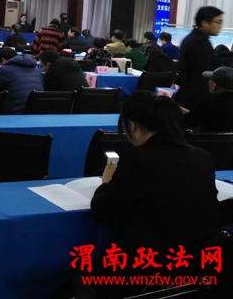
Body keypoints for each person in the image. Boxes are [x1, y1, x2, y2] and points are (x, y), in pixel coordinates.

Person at [89, 92, 217, 294]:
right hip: (189, 270)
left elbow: (102, 211)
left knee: (78, 275)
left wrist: (105, 184)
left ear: (132, 126)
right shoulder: (203, 157)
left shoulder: (137, 158)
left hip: (140, 272)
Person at [174, 6, 223, 110]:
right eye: (218, 22)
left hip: (187, 94)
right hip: (195, 99)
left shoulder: (192, 38)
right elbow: (201, 75)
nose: (220, 26)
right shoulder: (200, 43)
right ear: (204, 23)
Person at [182, 67, 233, 132]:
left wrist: (176, 108)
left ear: (214, 85)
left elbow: (186, 121)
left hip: (206, 138)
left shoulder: (208, 103)